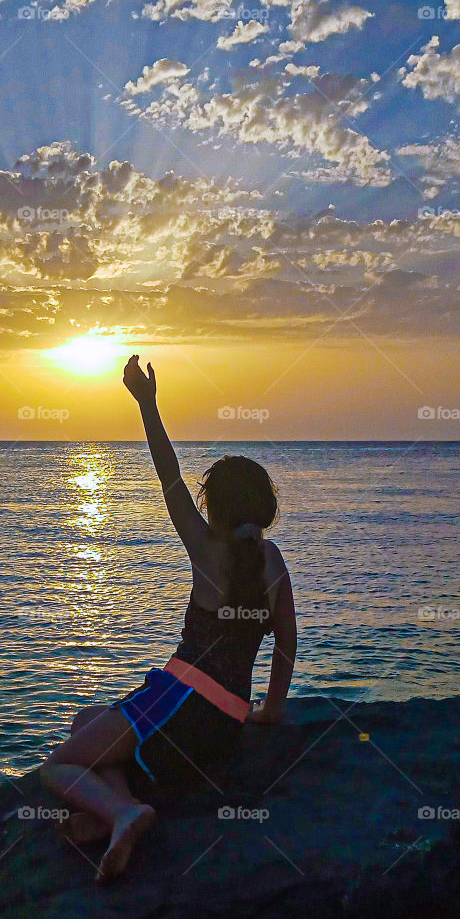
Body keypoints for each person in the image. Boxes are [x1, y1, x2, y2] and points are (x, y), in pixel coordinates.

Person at [39, 355, 297, 883]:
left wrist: (147, 404)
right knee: (88, 719)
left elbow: (169, 475)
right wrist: (269, 710)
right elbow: (287, 642)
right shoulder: (273, 561)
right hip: (220, 729)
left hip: (177, 704)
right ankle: (118, 809)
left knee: (60, 763)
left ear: (215, 510)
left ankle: (122, 813)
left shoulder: (206, 548)